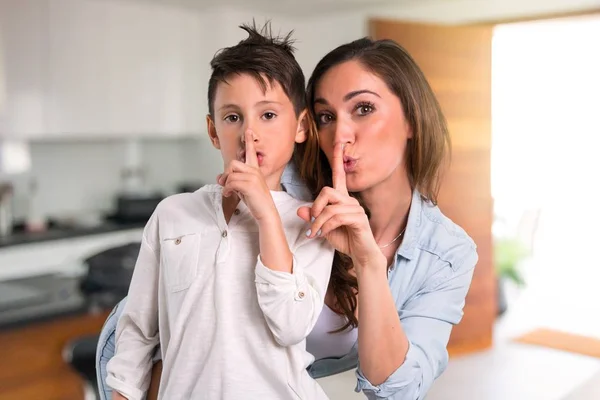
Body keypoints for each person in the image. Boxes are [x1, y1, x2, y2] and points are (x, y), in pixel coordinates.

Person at [97, 35, 478, 400]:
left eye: (363, 109)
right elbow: (165, 307)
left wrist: (367, 262)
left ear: (411, 119)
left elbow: (398, 389)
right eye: (326, 116)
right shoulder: (283, 184)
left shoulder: (445, 254)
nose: (341, 134)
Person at [104, 23, 335, 400]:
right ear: (213, 132)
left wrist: (266, 215)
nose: (249, 134)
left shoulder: (311, 223)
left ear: (302, 125)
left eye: (269, 115)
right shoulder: (172, 214)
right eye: (232, 117)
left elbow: (291, 326)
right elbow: (138, 331)